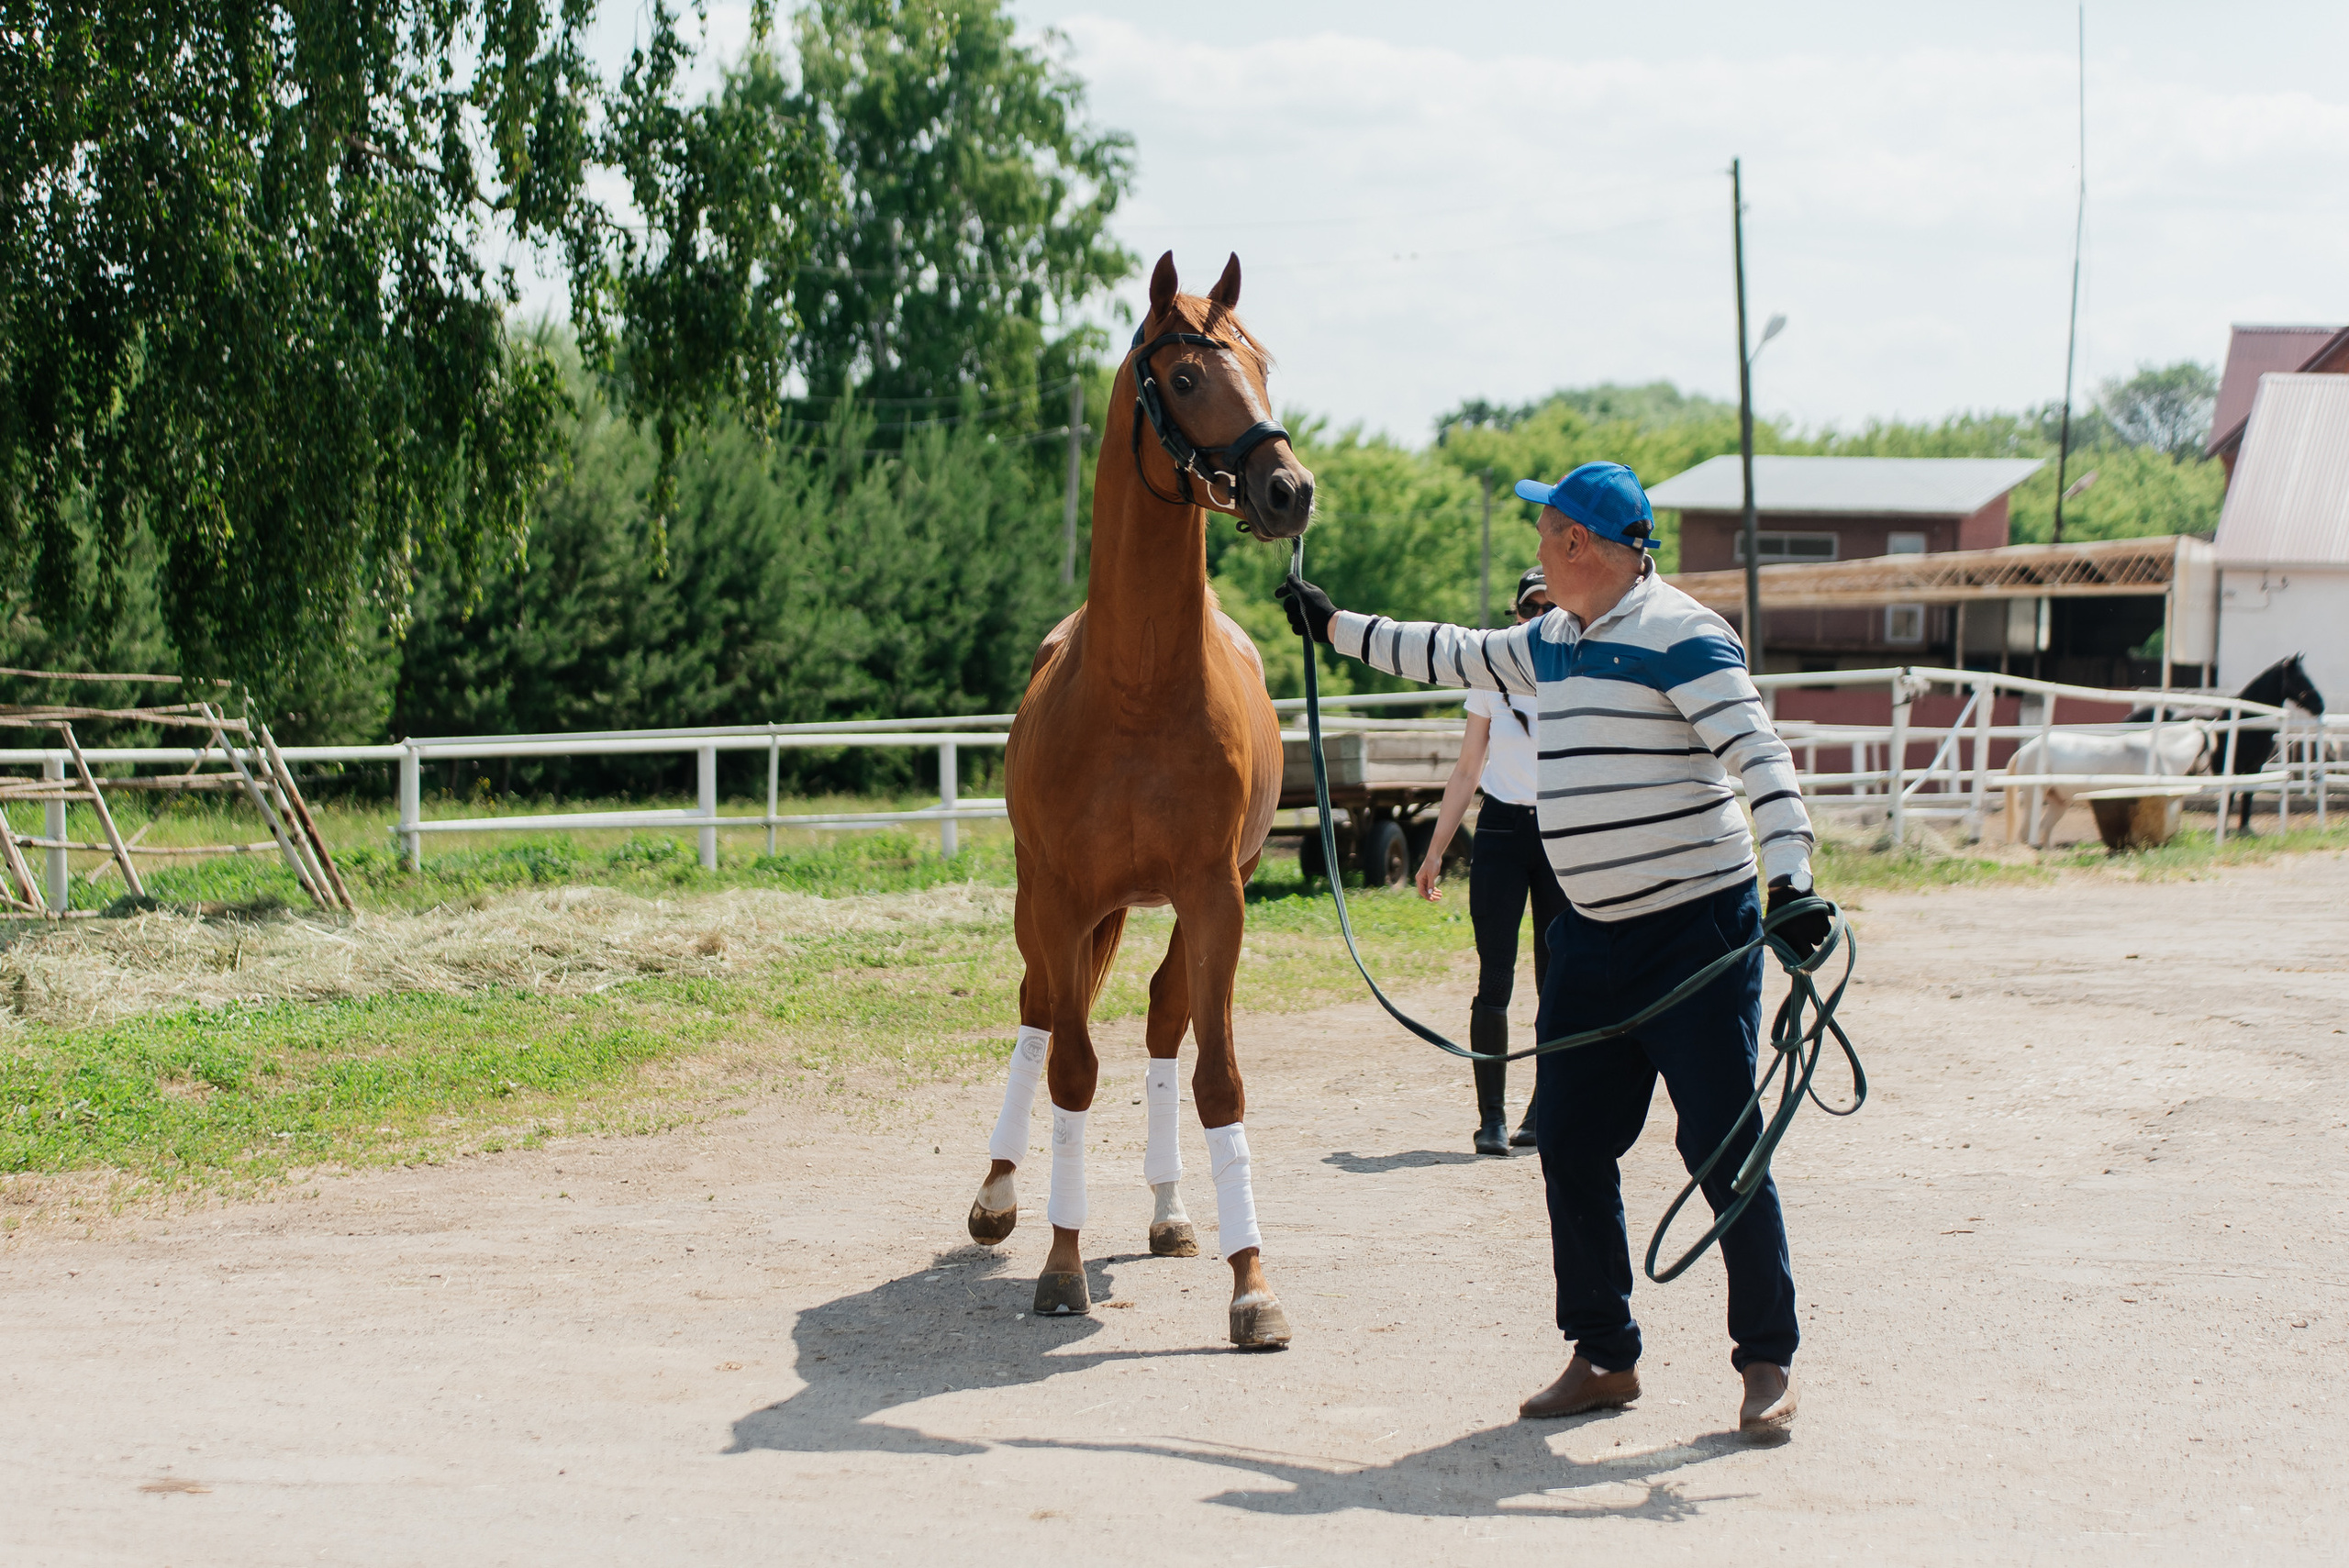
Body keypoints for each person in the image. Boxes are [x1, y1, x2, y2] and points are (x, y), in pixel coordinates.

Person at [1276, 461, 1831, 1439]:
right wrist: (1334, 626)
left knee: (1719, 1142)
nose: (1535, 547)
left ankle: (1765, 1358)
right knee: (1570, 1140)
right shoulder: (1551, 641)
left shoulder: (1684, 635)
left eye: (1545, 531)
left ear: (1578, 542)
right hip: (1588, 936)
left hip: (1693, 932)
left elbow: (1761, 758)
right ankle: (1604, 1351)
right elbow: (1448, 651)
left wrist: (1790, 882)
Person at [1414, 565, 1569, 1156]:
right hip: (1502, 831)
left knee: (1558, 981)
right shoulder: (1492, 678)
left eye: (1553, 606)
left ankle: (1543, 1109)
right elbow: (1466, 770)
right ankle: (1493, 1119)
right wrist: (1433, 852)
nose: (1543, 617)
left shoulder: (1577, 670)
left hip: (1561, 836)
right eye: (1532, 608)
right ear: (1518, 617)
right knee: (1494, 980)